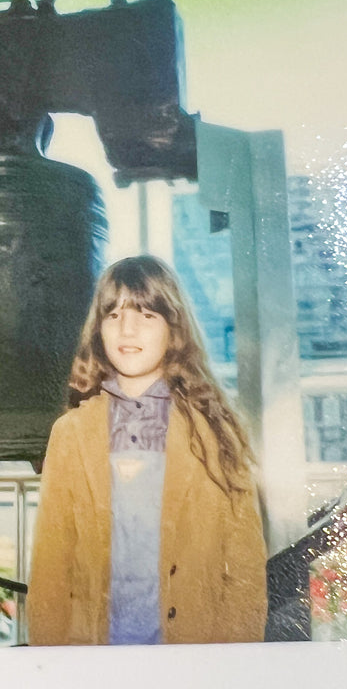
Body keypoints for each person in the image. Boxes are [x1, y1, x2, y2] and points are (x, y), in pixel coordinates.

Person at [26, 256, 267, 646]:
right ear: (98, 330)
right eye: (114, 315)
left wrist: (233, 667)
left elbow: (245, 569)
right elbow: (51, 570)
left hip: (193, 661)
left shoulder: (214, 432)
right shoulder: (70, 434)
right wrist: (52, 667)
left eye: (147, 315)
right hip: (94, 662)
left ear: (175, 331)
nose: (128, 328)